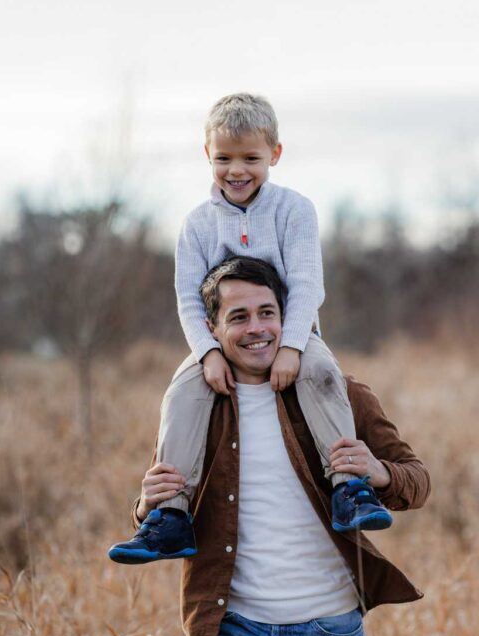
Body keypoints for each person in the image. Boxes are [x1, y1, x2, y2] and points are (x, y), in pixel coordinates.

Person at [127, 256, 428, 636]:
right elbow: (162, 501)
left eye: (267, 312)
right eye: (238, 316)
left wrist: (378, 472)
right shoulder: (195, 405)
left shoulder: (337, 392)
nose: (257, 328)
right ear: (211, 329)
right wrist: (146, 504)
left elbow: (417, 479)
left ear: (287, 318)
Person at [109, 92, 391, 565]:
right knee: (181, 394)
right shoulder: (197, 224)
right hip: (220, 342)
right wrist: (207, 353)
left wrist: (293, 347)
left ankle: (349, 488)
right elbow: (187, 298)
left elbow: (306, 285)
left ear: (274, 154)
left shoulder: (294, 210)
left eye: (250, 158)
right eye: (224, 158)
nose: (236, 170)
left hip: (294, 334)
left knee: (322, 374)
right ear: (207, 155)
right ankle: (170, 515)